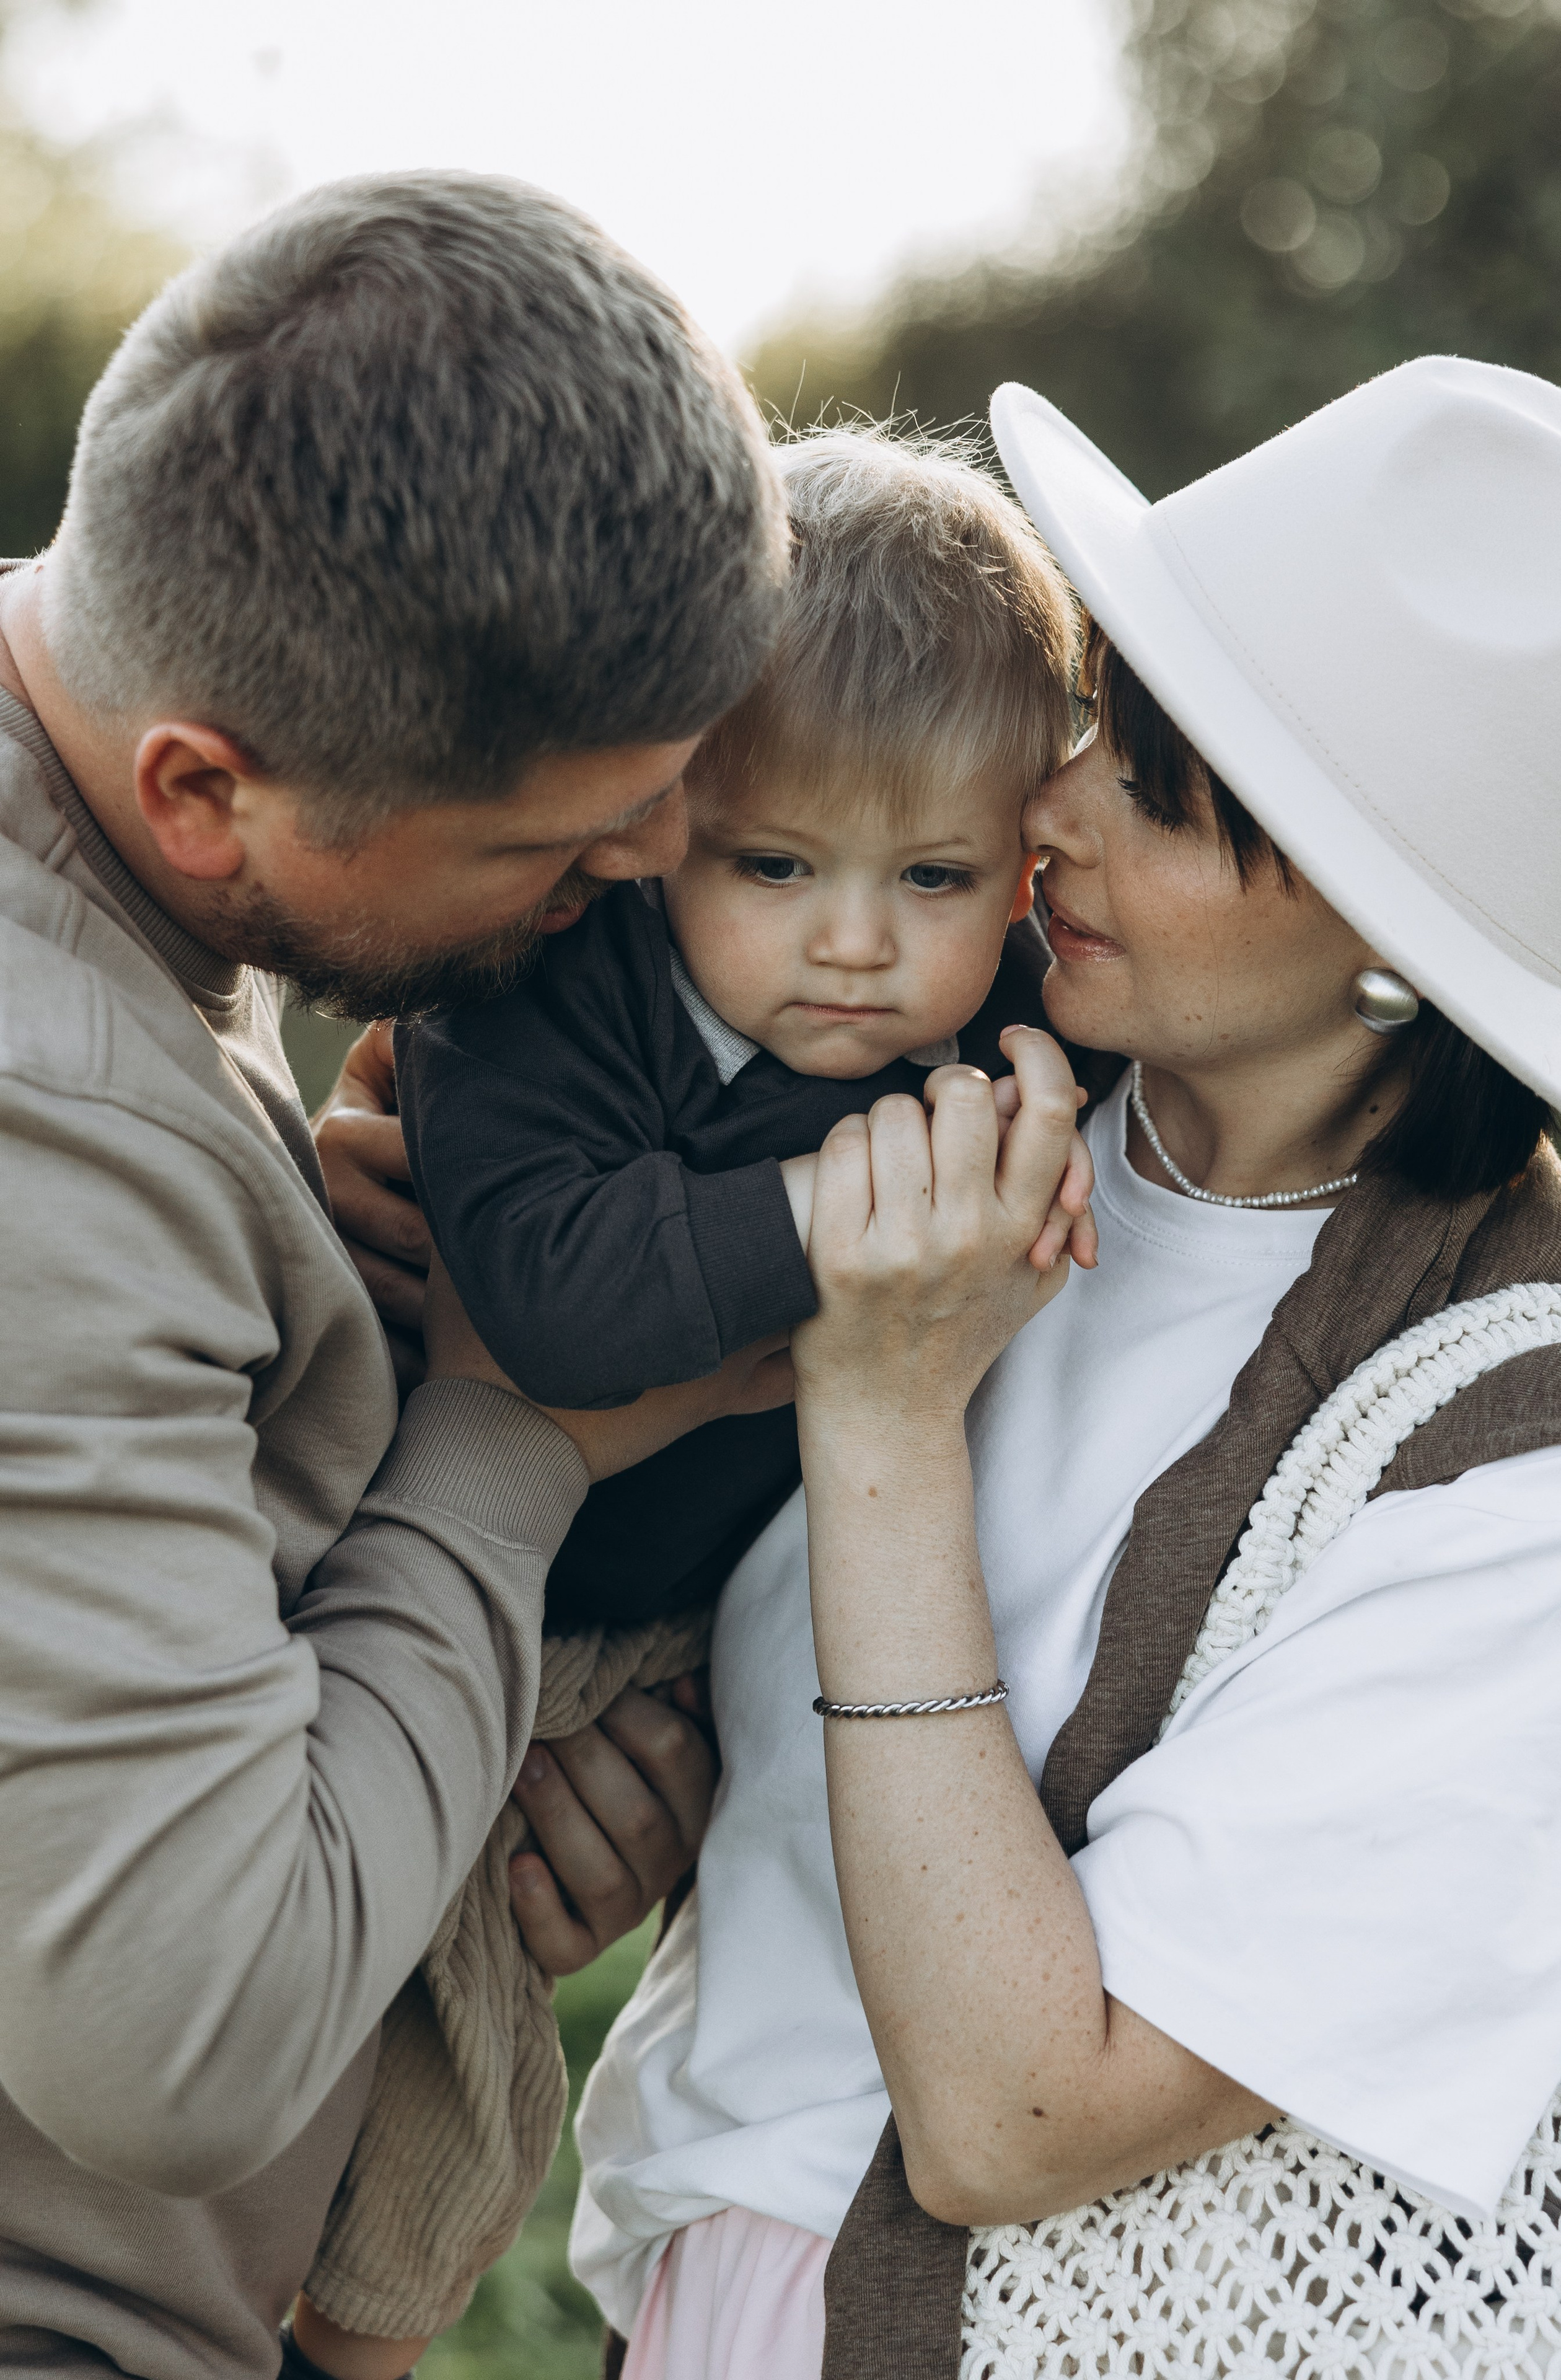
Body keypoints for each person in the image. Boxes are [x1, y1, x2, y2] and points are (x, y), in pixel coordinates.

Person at [565, 355, 1561, 2379]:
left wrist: (879, 1414)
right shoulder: (938, 1080)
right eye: (1101, 713)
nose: (1048, 806)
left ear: (1395, 944)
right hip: (707, 2288)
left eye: (1164, 788)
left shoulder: (1515, 1478)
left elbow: (1020, 2116)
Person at [0, 168, 786, 2380]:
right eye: (555, 849)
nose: (645, 878)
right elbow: (190, 2043)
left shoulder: (129, 879)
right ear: (202, 792)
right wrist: (507, 1432)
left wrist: (428, 1801)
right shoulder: (40, 1121)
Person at [396, 430, 1086, 1636]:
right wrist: (867, 1194)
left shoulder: (1028, 1019)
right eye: (775, 866)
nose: (855, 944)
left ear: (1021, 876)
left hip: (737, 1624)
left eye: (933, 878)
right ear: (664, 821)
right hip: (457, 1598)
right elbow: (557, 1305)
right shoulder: (555, 976)